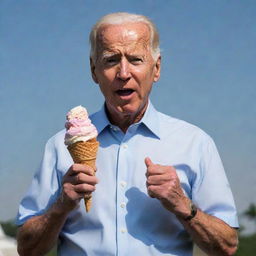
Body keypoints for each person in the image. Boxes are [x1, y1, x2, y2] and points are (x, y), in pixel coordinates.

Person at [16, 12, 239, 256]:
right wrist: (60, 206)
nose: (124, 73)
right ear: (94, 70)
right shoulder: (60, 145)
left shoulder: (195, 143)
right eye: (111, 60)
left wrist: (183, 204)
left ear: (156, 68)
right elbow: (27, 249)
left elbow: (226, 247)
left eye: (135, 59)